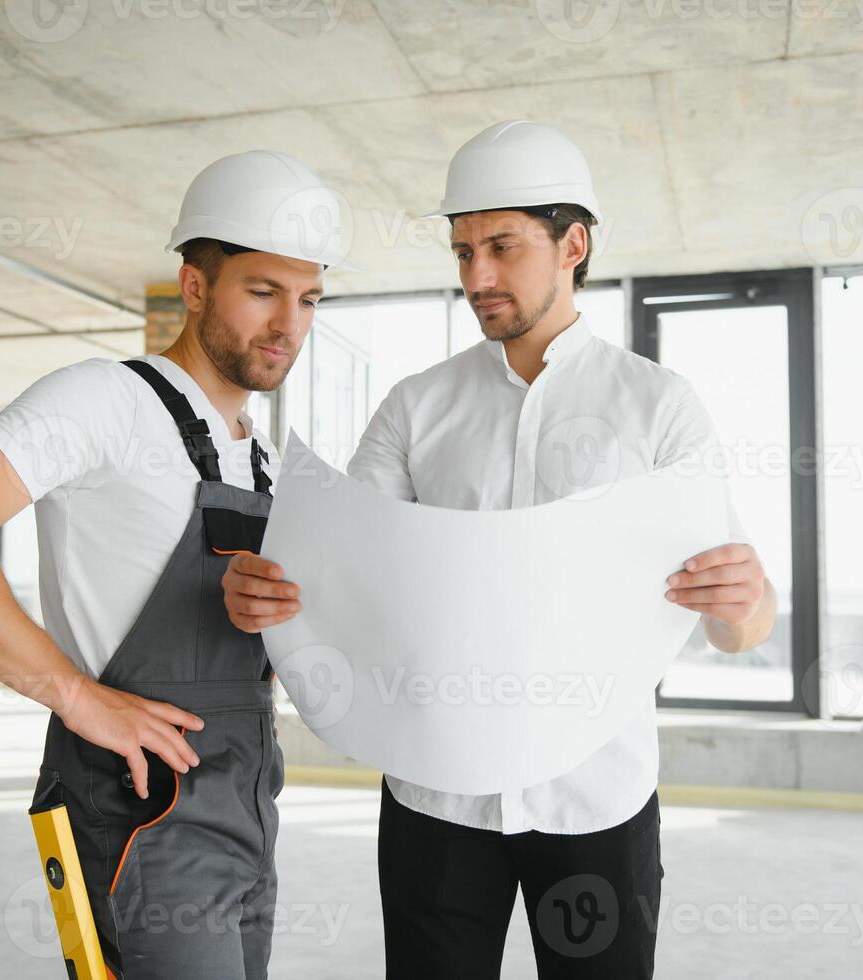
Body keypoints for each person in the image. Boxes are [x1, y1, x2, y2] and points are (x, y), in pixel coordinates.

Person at [221, 121, 777, 979]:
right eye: (462, 250)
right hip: (434, 796)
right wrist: (265, 596)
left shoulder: (658, 407)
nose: (476, 276)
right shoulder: (414, 407)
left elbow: (738, 626)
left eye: (503, 246)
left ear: (573, 245)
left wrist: (745, 604)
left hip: (595, 796)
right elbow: (341, 566)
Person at [0, 149, 348, 979]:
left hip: (246, 806)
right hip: (141, 816)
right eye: (262, 291)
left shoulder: (260, 456)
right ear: (195, 286)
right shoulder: (105, 400)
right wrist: (74, 695)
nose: (288, 325)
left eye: (307, 299)